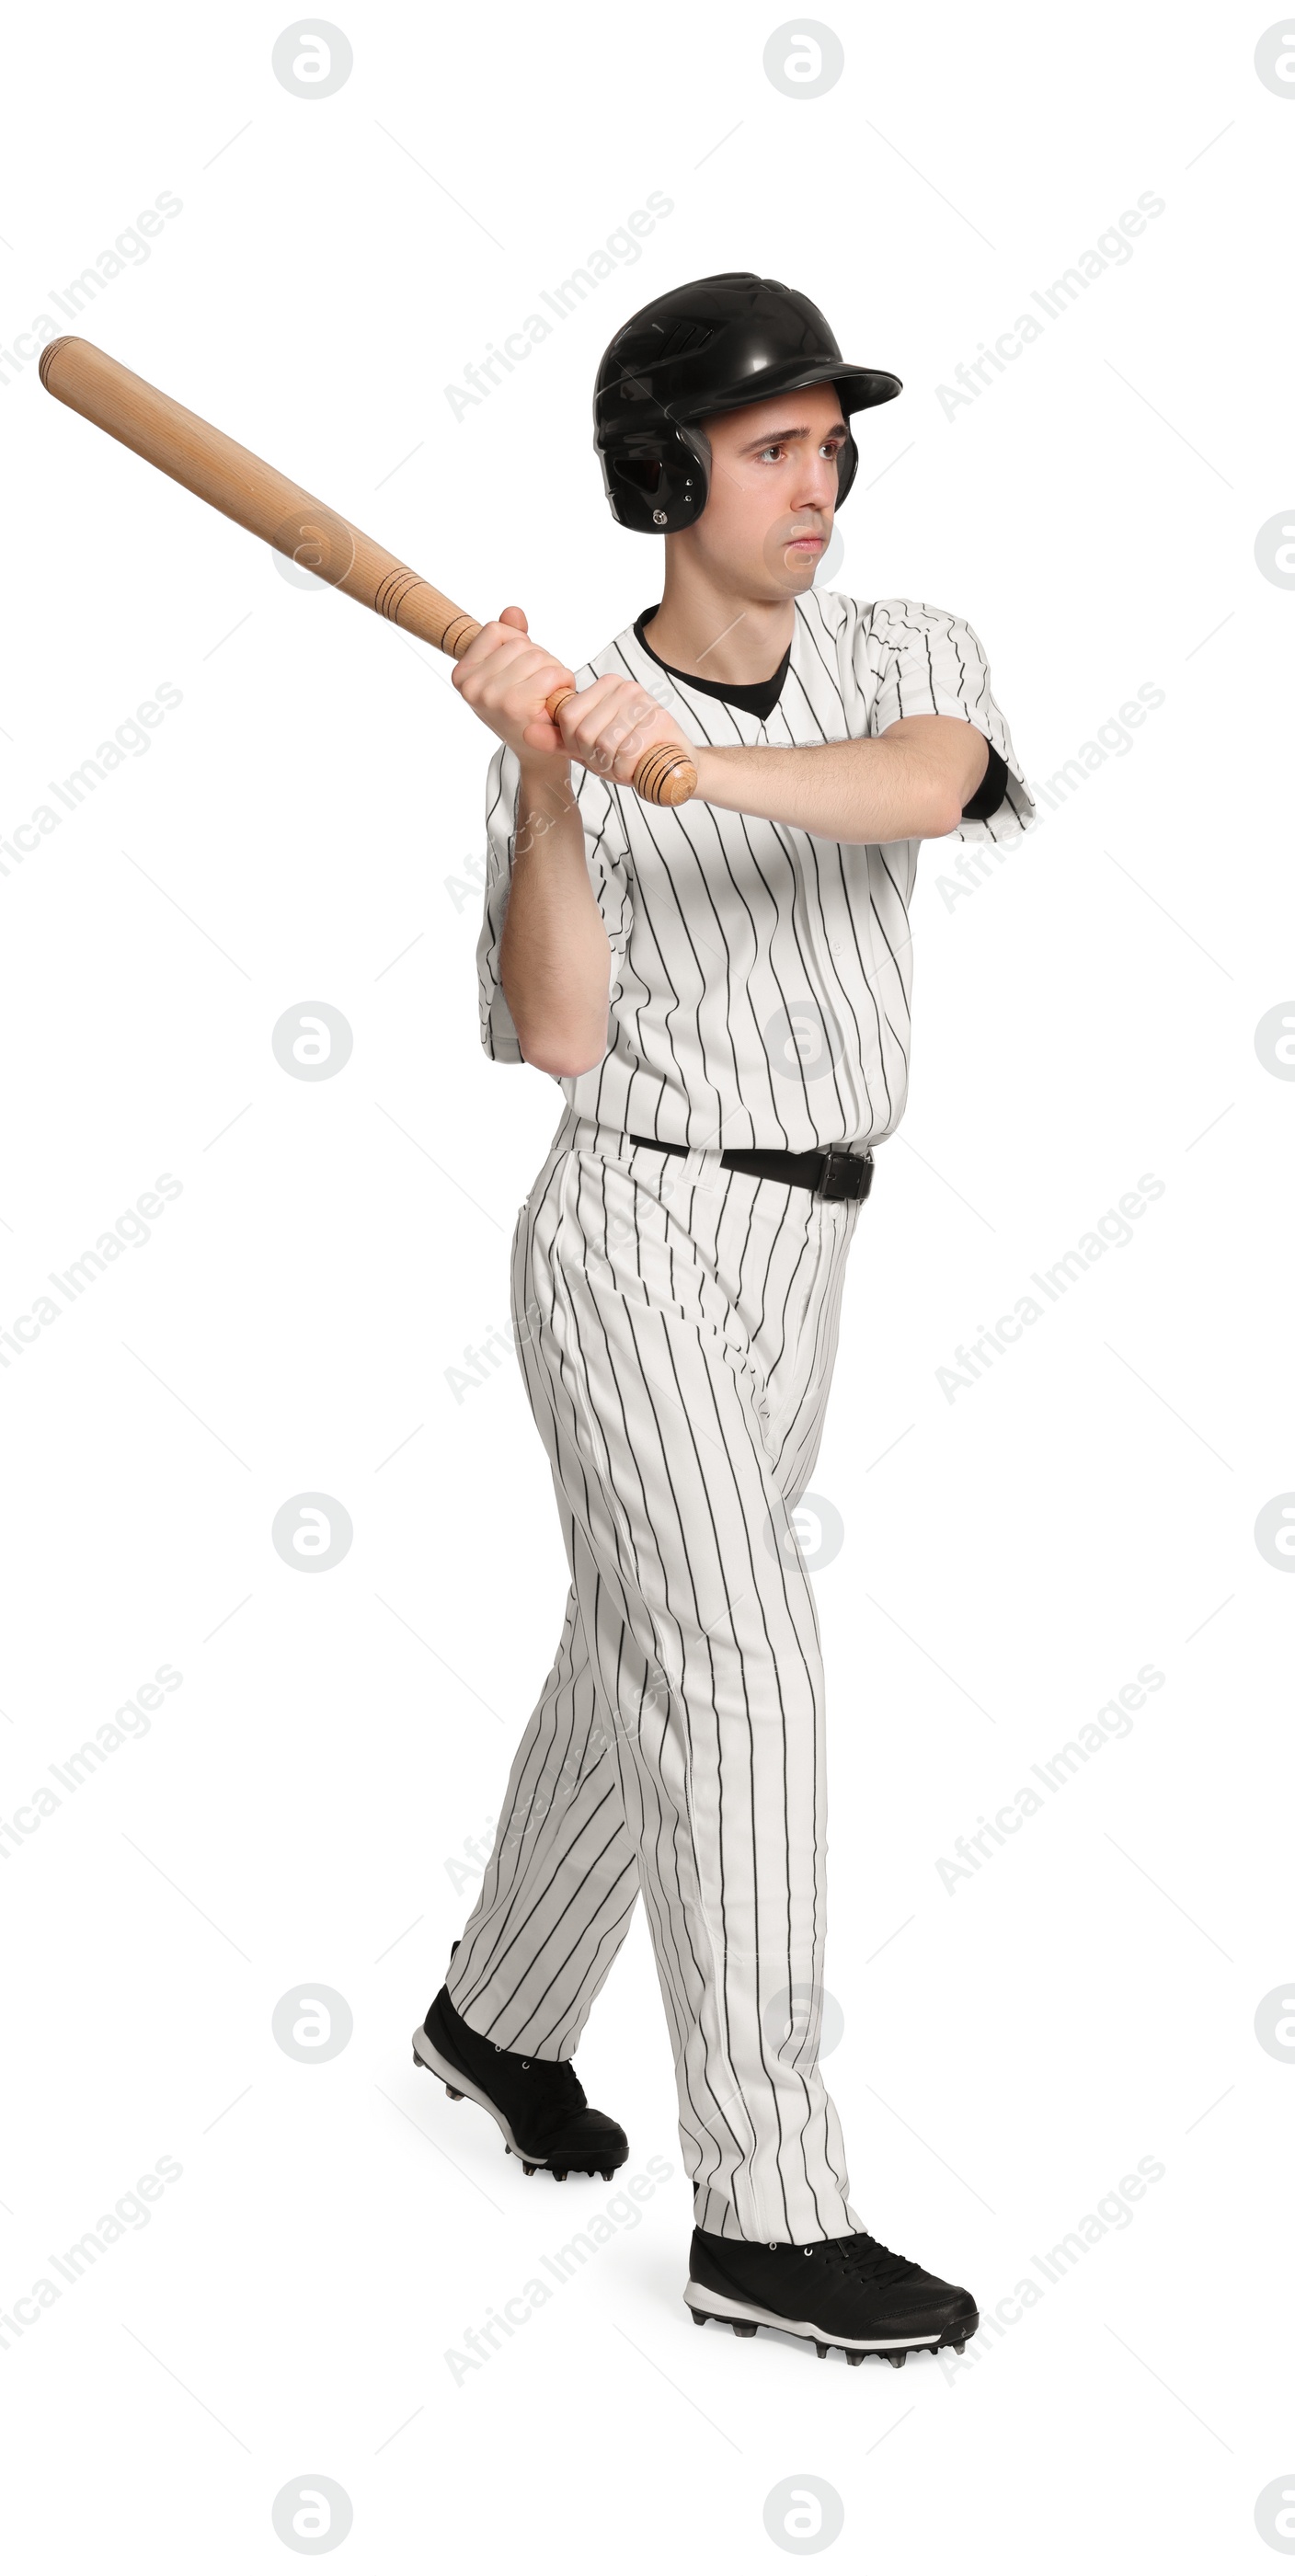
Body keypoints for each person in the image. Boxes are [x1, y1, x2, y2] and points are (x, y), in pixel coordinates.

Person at [412, 273, 1031, 2366]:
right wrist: (562, 779)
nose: (818, 481)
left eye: (829, 443)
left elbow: (928, 787)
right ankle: (766, 2214)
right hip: (633, 1239)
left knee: (640, 1649)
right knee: (742, 1665)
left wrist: (688, 764)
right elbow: (563, 1035)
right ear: (664, 473)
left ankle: (498, 2014)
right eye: (773, 448)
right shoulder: (565, 717)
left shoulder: (900, 652)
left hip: (809, 1251)